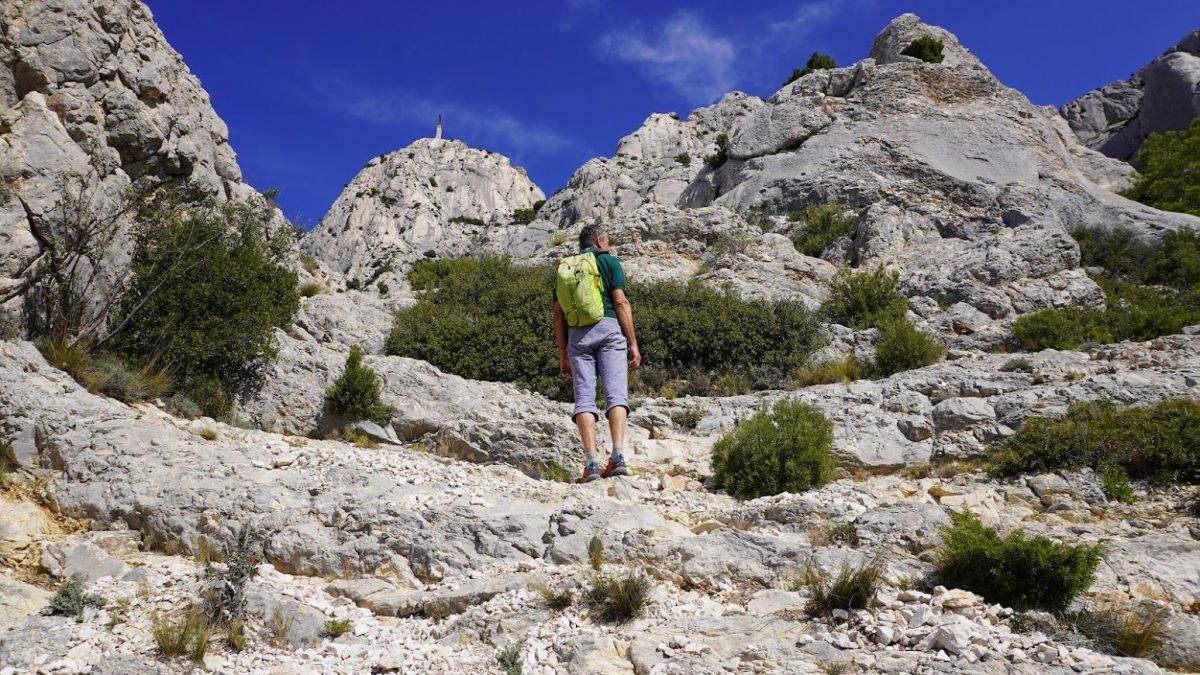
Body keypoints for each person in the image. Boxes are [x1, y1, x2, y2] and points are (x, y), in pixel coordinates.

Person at [552, 224, 641, 482]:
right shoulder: (608, 262)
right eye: (608, 240)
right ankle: (618, 457)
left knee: (584, 398)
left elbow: (558, 315)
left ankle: (591, 464)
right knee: (616, 393)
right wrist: (633, 342)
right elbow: (621, 301)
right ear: (601, 241)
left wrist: (563, 353)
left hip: (577, 336)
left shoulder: (565, 268)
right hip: (609, 329)